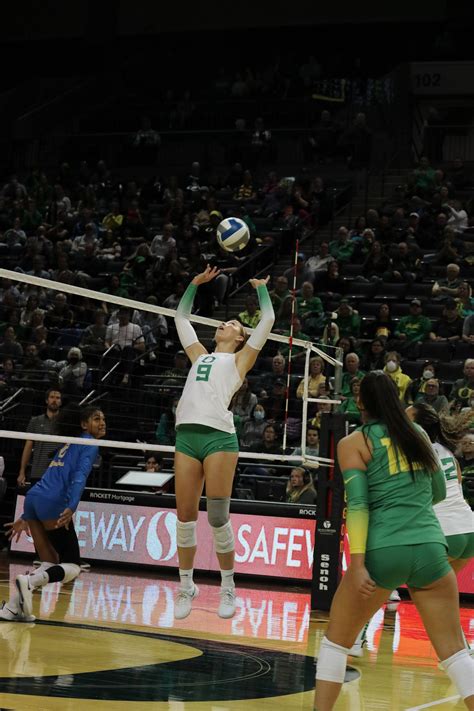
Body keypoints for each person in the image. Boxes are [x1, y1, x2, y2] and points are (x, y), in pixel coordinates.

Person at [314, 371, 474, 711]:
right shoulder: (416, 432)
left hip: (383, 551)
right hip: (431, 546)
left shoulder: (353, 442)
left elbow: (357, 505)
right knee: (456, 653)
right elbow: (439, 492)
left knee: (335, 645)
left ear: (360, 401)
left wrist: (357, 565)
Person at [172, 265, 275, 620]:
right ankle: (186, 585)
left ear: (240, 338)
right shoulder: (199, 355)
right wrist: (194, 283)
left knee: (217, 516)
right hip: (186, 435)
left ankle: (228, 586)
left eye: (233, 325)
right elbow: (181, 316)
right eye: (225, 322)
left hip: (218, 438)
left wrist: (261, 289)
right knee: (184, 518)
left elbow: (269, 319)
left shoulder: (240, 360)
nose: (225, 324)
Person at [1, 405, 106, 622]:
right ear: (84, 424)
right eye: (96, 419)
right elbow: (80, 476)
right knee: (73, 565)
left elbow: (52, 476)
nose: (102, 422)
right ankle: (29, 583)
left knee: (49, 561)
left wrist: (25, 515)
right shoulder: (89, 443)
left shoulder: (67, 444)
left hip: (34, 497)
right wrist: (72, 505)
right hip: (53, 503)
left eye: (103, 419)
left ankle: (11, 608)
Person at [406, 403, 474, 577]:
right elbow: (457, 490)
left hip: (444, 531)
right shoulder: (447, 452)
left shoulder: (414, 453)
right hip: (469, 529)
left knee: (419, 584)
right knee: (440, 593)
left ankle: (390, 596)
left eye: (406, 418)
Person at [17, 389, 62, 487]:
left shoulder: (64, 423)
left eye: (57, 398)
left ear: (61, 402)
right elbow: (28, 447)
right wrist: (22, 472)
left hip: (58, 474)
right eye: (52, 397)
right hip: (38, 472)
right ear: (46, 400)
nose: (54, 400)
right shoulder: (35, 421)